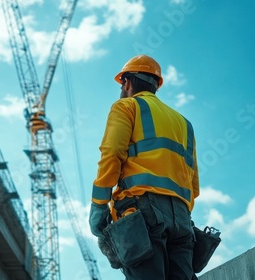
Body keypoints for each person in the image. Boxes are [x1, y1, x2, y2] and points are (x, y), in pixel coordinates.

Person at [89, 54, 200, 279]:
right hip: (182, 219)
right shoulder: (184, 124)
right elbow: (193, 184)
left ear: (126, 82)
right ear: (156, 86)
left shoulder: (126, 107)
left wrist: (99, 205)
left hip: (142, 213)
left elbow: (111, 155)